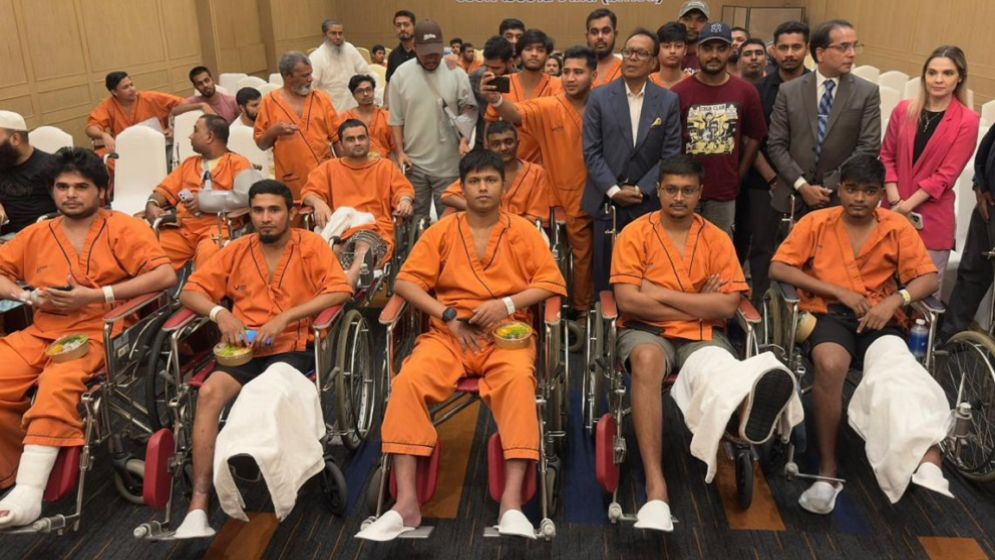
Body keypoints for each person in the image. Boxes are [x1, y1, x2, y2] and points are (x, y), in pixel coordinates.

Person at [355, 150, 566, 542]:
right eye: (474, 181)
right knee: (407, 382)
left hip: (506, 336)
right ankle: (406, 504)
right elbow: (405, 282)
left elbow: (552, 283)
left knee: (520, 385)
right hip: (448, 336)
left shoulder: (523, 231)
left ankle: (512, 504)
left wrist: (506, 304)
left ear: (504, 186)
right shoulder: (442, 231)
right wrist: (448, 315)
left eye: (491, 180)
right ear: (462, 188)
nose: (483, 188)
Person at [610, 154, 796, 532]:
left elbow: (726, 306)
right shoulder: (634, 234)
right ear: (658, 191)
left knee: (715, 367)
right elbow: (628, 302)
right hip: (647, 331)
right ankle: (656, 488)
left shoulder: (716, 238)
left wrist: (658, 292)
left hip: (702, 334)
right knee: (646, 361)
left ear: (700, 194)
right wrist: (698, 301)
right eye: (671, 190)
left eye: (688, 190)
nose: (679, 197)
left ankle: (740, 419)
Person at [0, 148, 176, 528]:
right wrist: (24, 296)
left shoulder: (124, 229)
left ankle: (30, 490)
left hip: (101, 330)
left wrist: (97, 296)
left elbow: (165, 277)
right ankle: (13, 469)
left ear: (101, 190)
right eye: (62, 186)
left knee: (58, 382)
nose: (70, 194)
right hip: (43, 330)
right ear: (52, 190)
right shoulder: (36, 234)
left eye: (81, 187)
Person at [170, 179, 352, 539]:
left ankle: (259, 464)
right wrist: (220, 314)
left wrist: (287, 317)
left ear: (290, 212)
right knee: (209, 393)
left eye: (274, 210)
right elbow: (190, 291)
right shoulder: (237, 250)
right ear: (249, 213)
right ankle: (199, 504)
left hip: (292, 348)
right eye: (258, 210)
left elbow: (340, 290)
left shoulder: (311, 246)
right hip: (243, 352)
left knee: (264, 391)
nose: (266, 218)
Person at [770, 154, 951, 514]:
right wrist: (837, 291)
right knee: (830, 363)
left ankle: (927, 457)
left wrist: (896, 300)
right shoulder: (816, 222)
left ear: (881, 193)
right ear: (840, 190)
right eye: (852, 190)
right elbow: (779, 267)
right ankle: (827, 471)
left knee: (896, 367)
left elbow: (928, 278)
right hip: (829, 314)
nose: (859, 198)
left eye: (869, 191)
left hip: (880, 316)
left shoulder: (896, 226)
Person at [484, 46, 598, 318]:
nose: (570, 78)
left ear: (593, 75)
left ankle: (590, 308)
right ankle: (571, 310)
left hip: (603, 193)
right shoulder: (550, 106)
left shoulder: (604, 104)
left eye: (578, 72)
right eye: (566, 72)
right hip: (562, 196)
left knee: (600, 256)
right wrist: (497, 100)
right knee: (568, 256)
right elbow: (516, 114)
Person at [583, 29, 683, 292]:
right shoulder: (599, 97)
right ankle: (606, 316)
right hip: (607, 202)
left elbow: (671, 154)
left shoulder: (668, 100)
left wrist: (641, 189)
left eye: (640, 53)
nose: (632, 58)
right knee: (606, 278)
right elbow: (591, 151)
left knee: (648, 273)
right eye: (628, 51)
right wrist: (614, 190)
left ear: (653, 62)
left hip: (648, 202)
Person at [880, 46, 978, 297]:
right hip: (890, 208)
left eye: (947, 73)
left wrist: (905, 206)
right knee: (880, 290)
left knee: (921, 300)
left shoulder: (967, 120)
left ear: (959, 77)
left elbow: (946, 175)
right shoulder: (903, 109)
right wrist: (895, 202)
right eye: (932, 72)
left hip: (931, 219)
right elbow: (886, 156)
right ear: (924, 75)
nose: (938, 79)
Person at [767, 19, 881, 216]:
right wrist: (802, 185)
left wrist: (830, 185)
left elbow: (868, 146)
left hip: (839, 197)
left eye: (854, 46)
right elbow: (776, 144)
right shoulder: (789, 91)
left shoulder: (866, 92)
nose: (852, 54)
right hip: (793, 197)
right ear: (820, 53)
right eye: (844, 47)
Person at [671, 22, 767, 236]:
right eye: (708, 48)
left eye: (721, 48)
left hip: (724, 193)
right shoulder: (678, 93)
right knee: (681, 246)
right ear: (698, 51)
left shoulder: (746, 92)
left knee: (719, 248)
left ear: (731, 51)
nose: (714, 55)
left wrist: (739, 174)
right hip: (684, 191)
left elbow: (755, 136)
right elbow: (670, 143)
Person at [739, 21, 810, 305]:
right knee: (762, 247)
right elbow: (750, 139)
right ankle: (761, 305)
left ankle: (801, 307)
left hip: (809, 184)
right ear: (774, 51)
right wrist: (772, 178)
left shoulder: (818, 88)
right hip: (764, 182)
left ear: (807, 49)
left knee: (806, 249)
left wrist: (802, 182)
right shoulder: (758, 90)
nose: (790, 53)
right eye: (784, 47)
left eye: (796, 47)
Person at [301, 119, 414, 287]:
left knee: (363, 241)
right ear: (341, 145)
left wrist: (405, 201)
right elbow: (308, 192)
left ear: (369, 140)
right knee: (337, 247)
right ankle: (332, 278)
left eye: (361, 138)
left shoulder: (386, 167)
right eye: (350, 139)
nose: (357, 143)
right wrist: (318, 203)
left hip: (376, 227)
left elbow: (403, 191)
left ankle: (352, 278)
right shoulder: (329, 168)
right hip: (342, 231)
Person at [389, 20, 477, 223]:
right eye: (426, 54)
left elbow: (470, 109)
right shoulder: (400, 75)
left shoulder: (456, 73)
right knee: (414, 221)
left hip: (449, 164)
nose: (432, 58)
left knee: (450, 222)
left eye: (436, 53)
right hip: (414, 164)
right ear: (415, 47)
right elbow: (395, 120)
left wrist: (465, 139)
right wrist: (400, 152)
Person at [145, 115, 254, 271]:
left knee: (208, 259)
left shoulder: (239, 163)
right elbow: (163, 191)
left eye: (195, 130)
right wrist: (152, 204)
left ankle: (197, 287)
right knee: (146, 251)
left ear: (209, 137)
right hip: (182, 229)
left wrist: (203, 201)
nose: (190, 136)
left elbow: (246, 197)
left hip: (217, 229)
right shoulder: (189, 163)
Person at [254, 52, 339, 201]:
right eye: (305, 75)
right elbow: (261, 144)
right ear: (288, 76)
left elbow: (337, 139)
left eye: (310, 73)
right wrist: (274, 131)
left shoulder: (321, 98)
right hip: (291, 179)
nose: (310, 79)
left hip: (325, 175)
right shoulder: (270, 102)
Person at [441, 121, 551, 225]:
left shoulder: (536, 172)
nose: (503, 148)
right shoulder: (482, 169)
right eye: (496, 144)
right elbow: (448, 196)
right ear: (488, 147)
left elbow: (537, 216)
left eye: (508, 142)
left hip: (522, 231)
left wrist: (503, 223)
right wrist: (478, 210)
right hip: (483, 229)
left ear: (517, 143)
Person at [942, 125, 995, 341]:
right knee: (972, 274)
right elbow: (984, 152)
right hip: (988, 207)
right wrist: (979, 185)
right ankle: (949, 339)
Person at [485, 29, 562, 164]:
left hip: (546, 166)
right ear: (519, 53)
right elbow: (490, 123)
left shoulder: (558, 85)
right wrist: (489, 162)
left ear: (547, 55)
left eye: (540, 50)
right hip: (507, 164)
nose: (534, 54)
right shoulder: (504, 82)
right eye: (528, 49)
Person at [85, 71, 183, 153]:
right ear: (114, 92)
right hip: (128, 149)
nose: (132, 89)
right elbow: (90, 128)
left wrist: (173, 128)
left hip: (157, 146)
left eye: (131, 85)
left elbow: (183, 104)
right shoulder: (108, 106)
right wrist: (104, 135)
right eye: (125, 87)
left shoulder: (150, 98)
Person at [0, 111, 57, 237]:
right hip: (7, 234)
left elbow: (68, 211)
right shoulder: (3, 161)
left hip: (41, 235)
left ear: (15, 139)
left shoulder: (50, 166)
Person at [310, 19, 371, 112]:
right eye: (333, 33)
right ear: (324, 35)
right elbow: (311, 87)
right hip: (330, 110)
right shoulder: (316, 57)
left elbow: (366, 73)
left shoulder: (349, 49)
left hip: (354, 107)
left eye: (340, 33)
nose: (338, 37)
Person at [338, 75, 395, 160]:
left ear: (373, 91)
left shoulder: (387, 116)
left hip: (383, 163)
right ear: (353, 95)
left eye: (368, 89)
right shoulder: (344, 118)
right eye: (360, 91)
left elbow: (395, 148)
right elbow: (339, 147)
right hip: (355, 164)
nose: (365, 94)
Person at [174, 66, 240, 123]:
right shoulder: (195, 101)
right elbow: (175, 111)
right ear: (195, 87)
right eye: (200, 83)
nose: (205, 85)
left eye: (207, 80)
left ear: (212, 80)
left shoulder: (231, 101)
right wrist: (201, 105)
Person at [586, 9, 621, 89]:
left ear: (615, 34)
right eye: (594, 32)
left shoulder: (626, 70)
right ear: (587, 36)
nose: (600, 37)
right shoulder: (576, 70)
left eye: (606, 31)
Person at [651, 22, 689, 90]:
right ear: (657, 49)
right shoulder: (647, 83)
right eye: (666, 46)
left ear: (685, 50)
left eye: (678, 46)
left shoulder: (691, 83)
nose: (672, 51)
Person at [386, 10, 418, 84]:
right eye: (398, 25)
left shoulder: (423, 52)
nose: (402, 28)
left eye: (406, 25)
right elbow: (389, 83)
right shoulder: (393, 55)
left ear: (414, 27)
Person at [677, 0, 710, 72]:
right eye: (687, 19)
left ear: (707, 25)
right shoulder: (663, 56)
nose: (692, 25)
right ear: (678, 22)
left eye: (700, 20)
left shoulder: (711, 59)